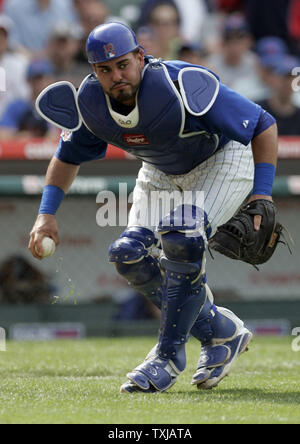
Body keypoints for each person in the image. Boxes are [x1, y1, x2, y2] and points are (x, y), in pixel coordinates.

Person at [28, 22, 278, 393]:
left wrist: (262, 193)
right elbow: (66, 156)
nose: (117, 76)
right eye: (105, 69)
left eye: (123, 64)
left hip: (221, 160)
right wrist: (46, 214)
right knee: (128, 254)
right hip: (161, 170)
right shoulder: (91, 102)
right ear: (93, 70)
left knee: (183, 235)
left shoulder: (180, 83)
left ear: (140, 57)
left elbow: (262, 122)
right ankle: (220, 332)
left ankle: (167, 356)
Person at [0, 59, 55, 140]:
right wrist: (18, 136)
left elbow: (63, 135)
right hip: (20, 151)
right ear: (28, 80)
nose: (41, 82)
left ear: (51, 79)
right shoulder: (17, 106)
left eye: (45, 78)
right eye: (37, 78)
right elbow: (2, 134)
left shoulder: (57, 106)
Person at [257, 54, 300, 136]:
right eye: (285, 77)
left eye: (293, 78)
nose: (289, 83)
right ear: (273, 78)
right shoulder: (258, 110)